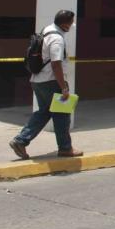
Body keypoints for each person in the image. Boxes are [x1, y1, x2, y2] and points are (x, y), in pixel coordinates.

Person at [9, 10, 82, 160]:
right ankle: (65, 148)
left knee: (44, 112)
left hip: (37, 80)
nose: (72, 25)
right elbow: (56, 64)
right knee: (62, 114)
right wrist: (64, 87)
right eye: (71, 23)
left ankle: (20, 141)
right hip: (51, 81)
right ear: (64, 24)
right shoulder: (57, 38)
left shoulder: (45, 31)